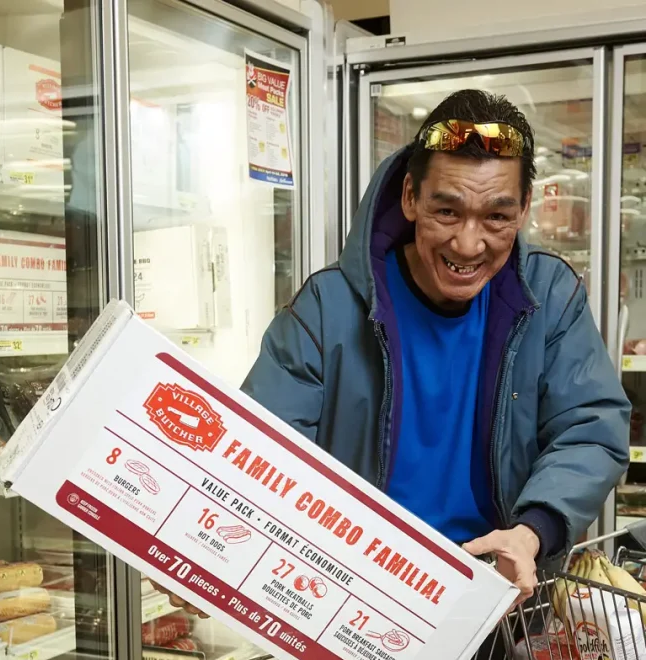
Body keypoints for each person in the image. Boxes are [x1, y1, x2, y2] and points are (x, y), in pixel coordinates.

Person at [165, 89, 630, 626]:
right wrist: (203, 542)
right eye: (446, 211)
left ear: (524, 209)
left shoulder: (549, 297)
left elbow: (591, 428)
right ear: (410, 197)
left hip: (500, 603)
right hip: (346, 610)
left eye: (496, 217)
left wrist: (531, 534)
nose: (468, 244)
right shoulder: (329, 308)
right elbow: (259, 446)